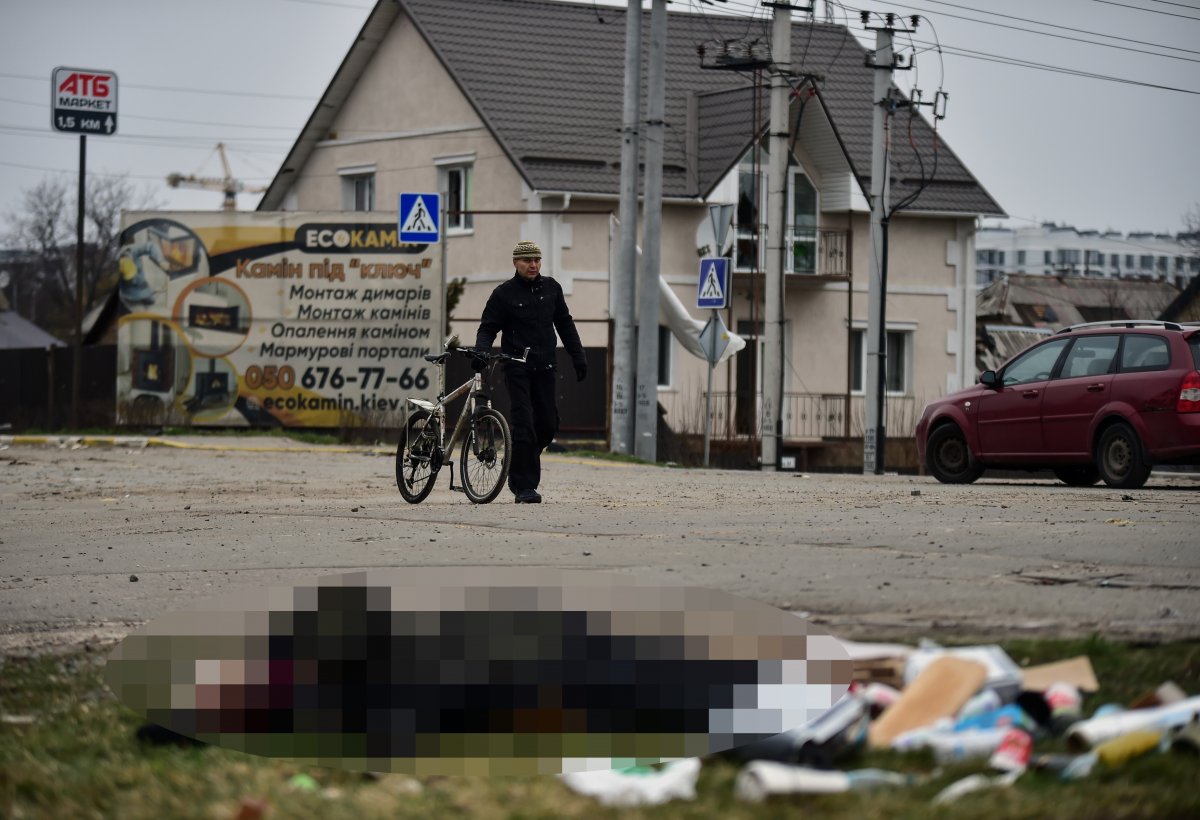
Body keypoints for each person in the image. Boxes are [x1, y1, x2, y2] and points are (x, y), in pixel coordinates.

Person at [474, 240, 587, 503]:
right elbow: (488, 327)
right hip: (517, 367)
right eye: (527, 260)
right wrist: (482, 350)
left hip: (546, 366)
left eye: (536, 260)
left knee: (548, 425)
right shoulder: (503, 294)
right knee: (524, 424)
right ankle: (525, 487)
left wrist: (578, 356)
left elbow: (565, 323)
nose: (533, 265)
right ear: (515, 263)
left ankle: (516, 462)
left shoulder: (552, 289)